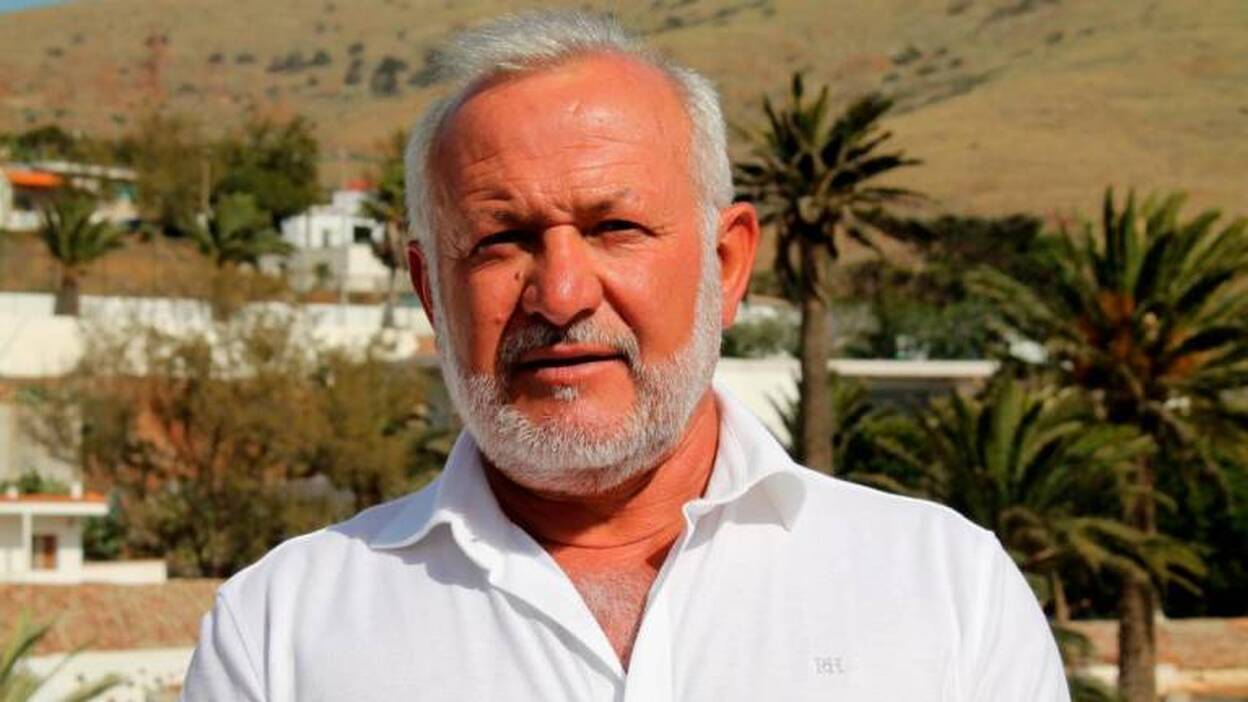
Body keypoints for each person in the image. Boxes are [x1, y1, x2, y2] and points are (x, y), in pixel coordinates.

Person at [182, 11, 1068, 701]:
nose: (560, 293)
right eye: (501, 240)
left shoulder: (947, 593)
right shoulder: (281, 633)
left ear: (727, 263)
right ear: (428, 288)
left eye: (614, 227)